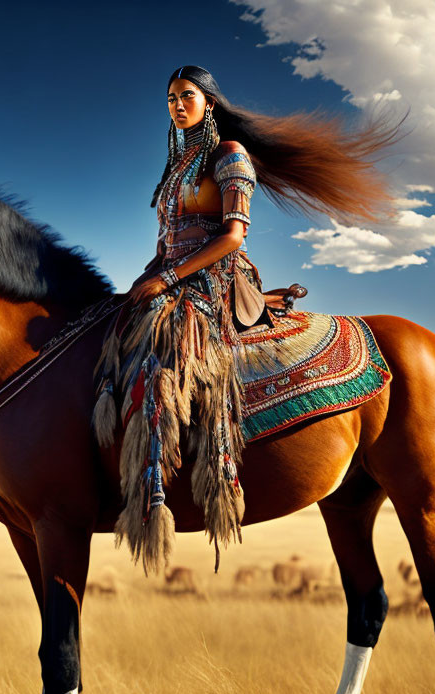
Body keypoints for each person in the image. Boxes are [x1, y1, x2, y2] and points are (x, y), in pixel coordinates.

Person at [93, 65, 400, 572]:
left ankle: (178, 479)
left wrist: (168, 282)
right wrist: (150, 276)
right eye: (170, 98)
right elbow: (170, 236)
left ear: (209, 102)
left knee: (171, 350)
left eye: (186, 95)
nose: (176, 104)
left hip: (215, 279)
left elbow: (232, 235)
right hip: (172, 272)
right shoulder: (177, 163)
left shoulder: (229, 156)